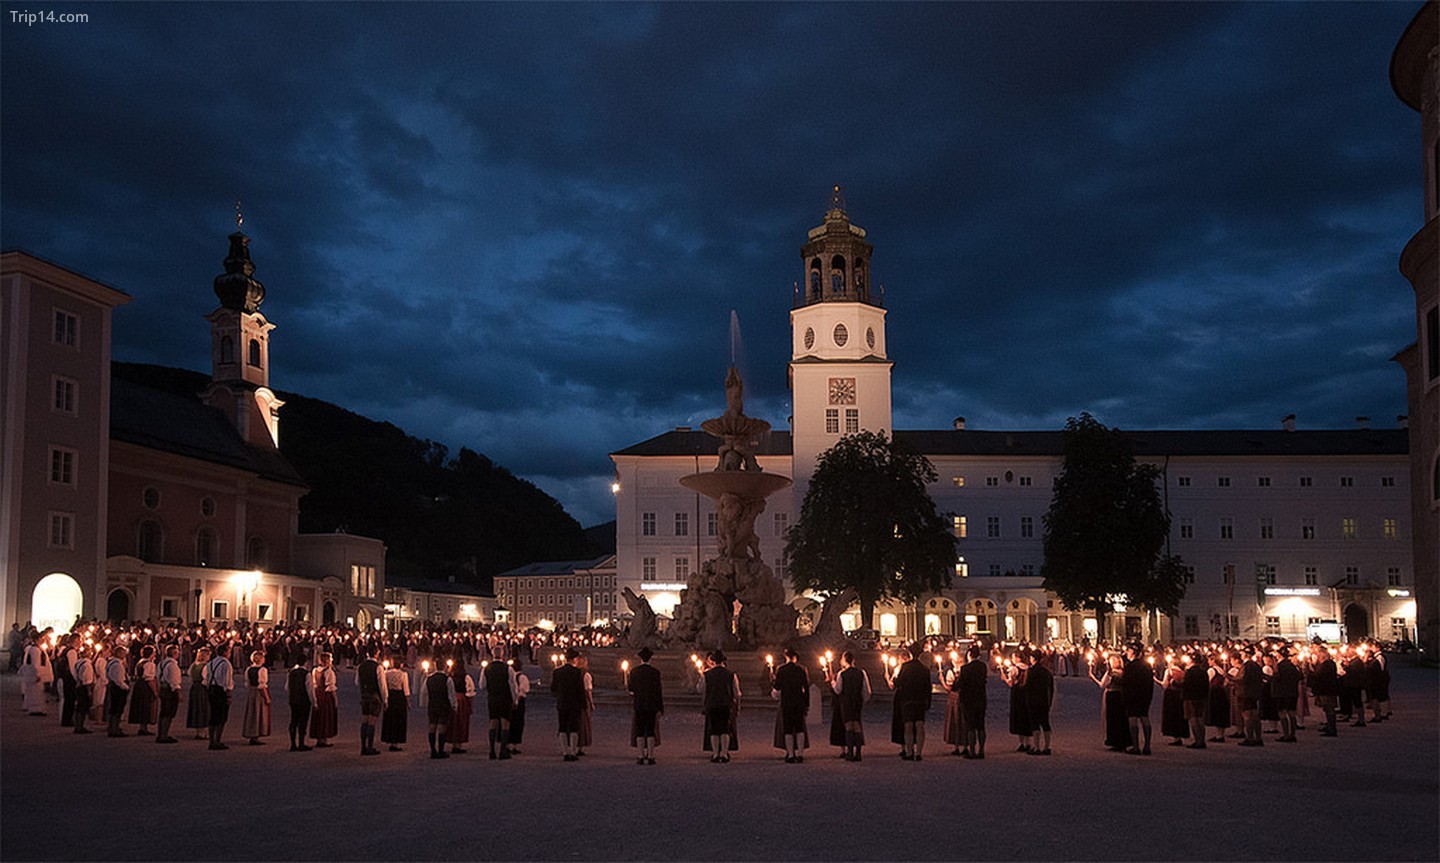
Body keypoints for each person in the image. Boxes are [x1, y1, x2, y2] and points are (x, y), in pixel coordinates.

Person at [889, 647, 932, 761]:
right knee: (919, 725)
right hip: (920, 700)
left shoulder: (905, 667)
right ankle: (919, 753)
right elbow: (928, 687)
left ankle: (909, 752)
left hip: (907, 700)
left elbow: (899, 683)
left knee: (908, 726)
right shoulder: (924, 668)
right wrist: (928, 702)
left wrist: (893, 679)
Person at [828, 650, 870, 762]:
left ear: (844, 660)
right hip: (857, 701)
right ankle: (858, 752)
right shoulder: (861, 672)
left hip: (846, 702)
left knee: (848, 726)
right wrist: (863, 700)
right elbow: (866, 691)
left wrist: (833, 683)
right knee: (857, 725)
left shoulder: (842, 674)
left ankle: (850, 752)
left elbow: (838, 690)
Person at [699, 650, 740, 762]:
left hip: (712, 704)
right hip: (726, 704)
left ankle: (715, 753)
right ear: (723, 661)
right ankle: (724, 753)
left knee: (714, 729)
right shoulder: (731, 674)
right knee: (725, 729)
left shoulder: (707, 674)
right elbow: (736, 692)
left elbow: (701, 689)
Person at [770, 648, 809, 763]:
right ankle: (800, 753)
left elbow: (777, 688)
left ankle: (790, 754)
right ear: (795, 658)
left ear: (786, 657)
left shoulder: (781, 670)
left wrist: (773, 683)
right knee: (799, 728)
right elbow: (806, 688)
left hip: (786, 702)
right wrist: (806, 704)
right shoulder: (801, 669)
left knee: (787, 729)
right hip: (799, 702)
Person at [626, 647, 663, 765]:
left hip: (639, 704)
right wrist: (660, 707)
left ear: (640, 658)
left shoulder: (634, 672)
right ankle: (651, 755)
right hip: (652, 705)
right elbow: (658, 691)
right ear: (650, 659)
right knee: (651, 730)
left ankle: (641, 755)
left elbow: (631, 690)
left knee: (640, 730)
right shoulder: (655, 672)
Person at [551, 648, 585, 761]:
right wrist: (583, 704)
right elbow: (580, 690)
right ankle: (573, 751)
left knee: (562, 727)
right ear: (574, 659)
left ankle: (565, 751)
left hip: (562, 702)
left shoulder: (557, 672)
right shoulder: (577, 672)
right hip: (574, 703)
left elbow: (553, 688)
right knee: (574, 728)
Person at [1120, 644, 1155, 755]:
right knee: (1145, 718)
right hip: (1144, 695)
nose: (1127, 653)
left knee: (1133, 720)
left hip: (1132, 696)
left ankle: (1136, 746)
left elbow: (1125, 683)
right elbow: (1150, 682)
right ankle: (1147, 746)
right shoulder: (1147, 666)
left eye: (1129, 651)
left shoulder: (1130, 666)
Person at [1089, 652, 1127, 751]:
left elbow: (1103, 684)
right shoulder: (1124, 672)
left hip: (1112, 696)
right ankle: (1122, 740)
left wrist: (1092, 676)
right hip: (1121, 696)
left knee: (1112, 718)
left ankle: (1115, 741)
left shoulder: (1111, 673)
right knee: (1120, 718)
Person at [481, 657, 517, 760]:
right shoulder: (508, 668)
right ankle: (503, 750)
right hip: (505, 697)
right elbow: (512, 685)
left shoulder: (486, 668)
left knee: (493, 722)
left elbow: (481, 685)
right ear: (502, 655)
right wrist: (515, 699)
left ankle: (492, 750)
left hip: (492, 697)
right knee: (505, 723)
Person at [420, 658, 457, 759]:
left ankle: (433, 750)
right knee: (442, 727)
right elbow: (451, 694)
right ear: (444, 667)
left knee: (432, 726)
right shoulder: (447, 679)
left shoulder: (429, 678)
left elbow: (424, 692)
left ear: (435, 666)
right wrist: (454, 705)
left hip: (432, 704)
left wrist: (423, 703)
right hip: (443, 704)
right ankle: (441, 750)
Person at [958, 645, 988, 759]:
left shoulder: (965, 669)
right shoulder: (983, 667)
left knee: (970, 726)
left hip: (968, 699)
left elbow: (961, 684)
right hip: (981, 698)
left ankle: (971, 750)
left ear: (969, 655)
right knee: (981, 725)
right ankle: (981, 749)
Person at [355, 646, 385, 756]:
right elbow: (382, 685)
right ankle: (370, 746)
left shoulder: (360, 667)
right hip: (374, 695)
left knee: (364, 720)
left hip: (364, 695)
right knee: (372, 721)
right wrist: (385, 699)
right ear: (376, 654)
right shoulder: (378, 667)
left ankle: (363, 746)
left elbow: (357, 682)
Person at [204, 643, 234, 750]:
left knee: (212, 715)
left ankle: (211, 740)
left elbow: (206, 677)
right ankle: (217, 740)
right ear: (225, 652)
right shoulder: (226, 663)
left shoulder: (211, 663)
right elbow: (227, 680)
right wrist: (228, 694)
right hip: (220, 690)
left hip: (211, 688)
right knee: (221, 716)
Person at [1025, 651, 1055, 755]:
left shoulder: (1030, 671)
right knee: (1045, 723)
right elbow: (1051, 688)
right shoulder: (1046, 672)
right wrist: (1049, 700)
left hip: (1033, 700)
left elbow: (1026, 686)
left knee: (1035, 724)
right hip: (1044, 701)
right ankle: (1047, 747)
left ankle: (1036, 747)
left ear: (1033, 658)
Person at [1002, 654, 1033, 752]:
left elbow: (1011, 683)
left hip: (1017, 694)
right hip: (1027, 694)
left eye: (1013, 657)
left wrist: (1004, 679)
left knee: (1019, 717)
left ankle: (1022, 742)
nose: (1012, 659)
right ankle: (1028, 742)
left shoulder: (1014, 669)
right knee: (1026, 717)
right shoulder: (1028, 668)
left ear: (1018, 658)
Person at [1272, 648, 1303, 743]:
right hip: (1292, 692)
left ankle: (1286, 734)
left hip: (1282, 693)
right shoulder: (1292, 665)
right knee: (1292, 713)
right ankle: (1292, 734)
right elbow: (1300, 677)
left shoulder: (1279, 666)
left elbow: (1276, 678)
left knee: (1282, 713)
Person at [1156, 652, 1187, 747]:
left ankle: (1175, 736)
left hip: (1171, 694)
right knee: (1179, 714)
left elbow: (1165, 685)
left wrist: (1155, 680)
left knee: (1172, 714)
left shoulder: (1169, 671)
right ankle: (1180, 734)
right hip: (1179, 695)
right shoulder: (1182, 672)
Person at [380, 654, 410, 752]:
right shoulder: (403, 674)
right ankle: (396, 742)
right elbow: (406, 689)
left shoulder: (387, 673)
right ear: (401, 664)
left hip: (390, 695)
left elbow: (385, 685)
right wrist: (408, 702)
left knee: (390, 718)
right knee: (398, 719)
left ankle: (390, 738)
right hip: (399, 697)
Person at [447, 657, 476, 755]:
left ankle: (453, 743)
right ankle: (458, 744)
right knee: (461, 722)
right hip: (462, 699)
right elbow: (470, 691)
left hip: (452, 699)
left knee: (453, 722)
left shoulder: (450, 677)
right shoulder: (466, 677)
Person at [242, 649, 271, 746]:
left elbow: (247, 683)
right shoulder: (262, 670)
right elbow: (262, 685)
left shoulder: (248, 669)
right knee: (259, 713)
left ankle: (252, 733)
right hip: (258, 693)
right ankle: (256, 734)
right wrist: (267, 697)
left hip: (251, 692)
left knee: (252, 713)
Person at [19, 630, 53, 715]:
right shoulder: (35, 650)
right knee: (36, 692)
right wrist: (37, 674)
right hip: (35, 674)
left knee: (36, 692)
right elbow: (35, 663)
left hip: (35, 673)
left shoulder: (37, 648)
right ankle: (35, 709)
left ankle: (36, 708)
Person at [286, 652, 314, 751]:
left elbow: (287, 687)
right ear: (305, 662)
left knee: (293, 721)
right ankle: (301, 743)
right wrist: (314, 701)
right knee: (303, 722)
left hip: (293, 700)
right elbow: (309, 689)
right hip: (303, 700)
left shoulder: (291, 673)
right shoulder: (307, 674)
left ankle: (293, 743)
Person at [310, 652, 338, 748]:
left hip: (318, 693)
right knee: (325, 716)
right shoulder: (329, 672)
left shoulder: (315, 671)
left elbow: (314, 683)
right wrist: (335, 700)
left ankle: (319, 737)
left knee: (319, 715)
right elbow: (331, 687)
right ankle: (323, 739)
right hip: (326, 695)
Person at [128, 645, 158, 735]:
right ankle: (144, 727)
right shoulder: (150, 664)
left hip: (139, 684)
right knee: (146, 705)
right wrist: (155, 692)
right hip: (145, 686)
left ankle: (143, 727)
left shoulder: (140, 662)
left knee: (141, 704)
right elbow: (149, 679)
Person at [1181, 653, 1209, 749]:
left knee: (1193, 718)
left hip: (1191, 697)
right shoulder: (1203, 671)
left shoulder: (1190, 672)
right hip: (1201, 696)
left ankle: (1198, 740)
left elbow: (1185, 684)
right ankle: (1202, 739)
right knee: (1200, 718)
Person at [1310, 648, 1340, 737]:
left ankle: (1332, 728)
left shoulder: (1326, 665)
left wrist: (1312, 670)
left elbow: (1319, 676)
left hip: (1327, 690)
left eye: (1319, 656)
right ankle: (1329, 725)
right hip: (1327, 690)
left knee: (1329, 708)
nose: (1318, 657)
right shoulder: (1327, 664)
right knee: (1327, 709)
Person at [1238, 650, 1265, 747]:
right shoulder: (1256, 665)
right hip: (1255, 693)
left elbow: (1242, 679)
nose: (1240, 655)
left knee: (1247, 716)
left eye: (1242, 653)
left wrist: (1230, 678)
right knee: (1255, 715)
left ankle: (1250, 737)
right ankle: (1258, 737)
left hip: (1247, 693)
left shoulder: (1247, 666)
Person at [156, 644, 182, 744]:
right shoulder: (172, 665)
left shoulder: (162, 663)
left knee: (163, 712)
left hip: (163, 687)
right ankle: (164, 735)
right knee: (168, 713)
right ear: (174, 653)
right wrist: (178, 692)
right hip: (170, 690)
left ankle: (161, 733)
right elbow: (174, 680)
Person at [185, 646, 212, 740]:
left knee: (196, 708)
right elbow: (206, 679)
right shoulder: (206, 666)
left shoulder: (194, 665)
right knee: (203, 709)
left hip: (194, 687)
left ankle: (198, 731)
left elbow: (190, 674)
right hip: (202, 688)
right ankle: (203, 731)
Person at [105, 644, 131, 737]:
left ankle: (112, 727)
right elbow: (119, 680)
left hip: (113, 686)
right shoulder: (117, 665)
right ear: (119, 653)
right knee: (117, 709)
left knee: (113, 708)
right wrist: (126, 687)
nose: (125, 655)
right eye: (123, 653)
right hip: (118, 689)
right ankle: (114, 729)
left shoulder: (111, 662)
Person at [71, 644, 96, 734]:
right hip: (84, 687)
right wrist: (89, 691)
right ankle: (79, 726)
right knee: (83, 707)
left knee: (79, 707)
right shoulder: (87, 665)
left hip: (78, 685)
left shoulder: (78, 662)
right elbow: (88, 679)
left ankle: (78, 725)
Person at [509, 658, 529, 754]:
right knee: (518, 722)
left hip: (509, 700)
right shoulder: (522, 677)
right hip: (519, 701)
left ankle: (508, 743)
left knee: (510, 722)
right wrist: (517, 699)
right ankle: (515, 745)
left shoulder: (509, 677)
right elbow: (524, 690)